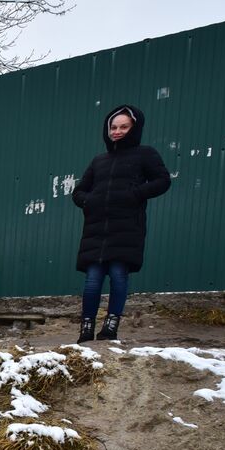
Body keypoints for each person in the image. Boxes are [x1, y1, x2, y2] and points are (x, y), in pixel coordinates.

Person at [69, 104, 172, 343]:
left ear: (134, 128)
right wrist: (89, 200)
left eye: (123, 126)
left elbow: (162, 180)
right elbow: (78, 191)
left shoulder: (145, 154)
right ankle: (86, 328)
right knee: (93, 280)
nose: (117, 131)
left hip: (126, 229)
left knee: (118, 276)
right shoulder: (99, 160)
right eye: (113, 127)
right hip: (96, 231)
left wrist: (134, 194)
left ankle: (110, 327)